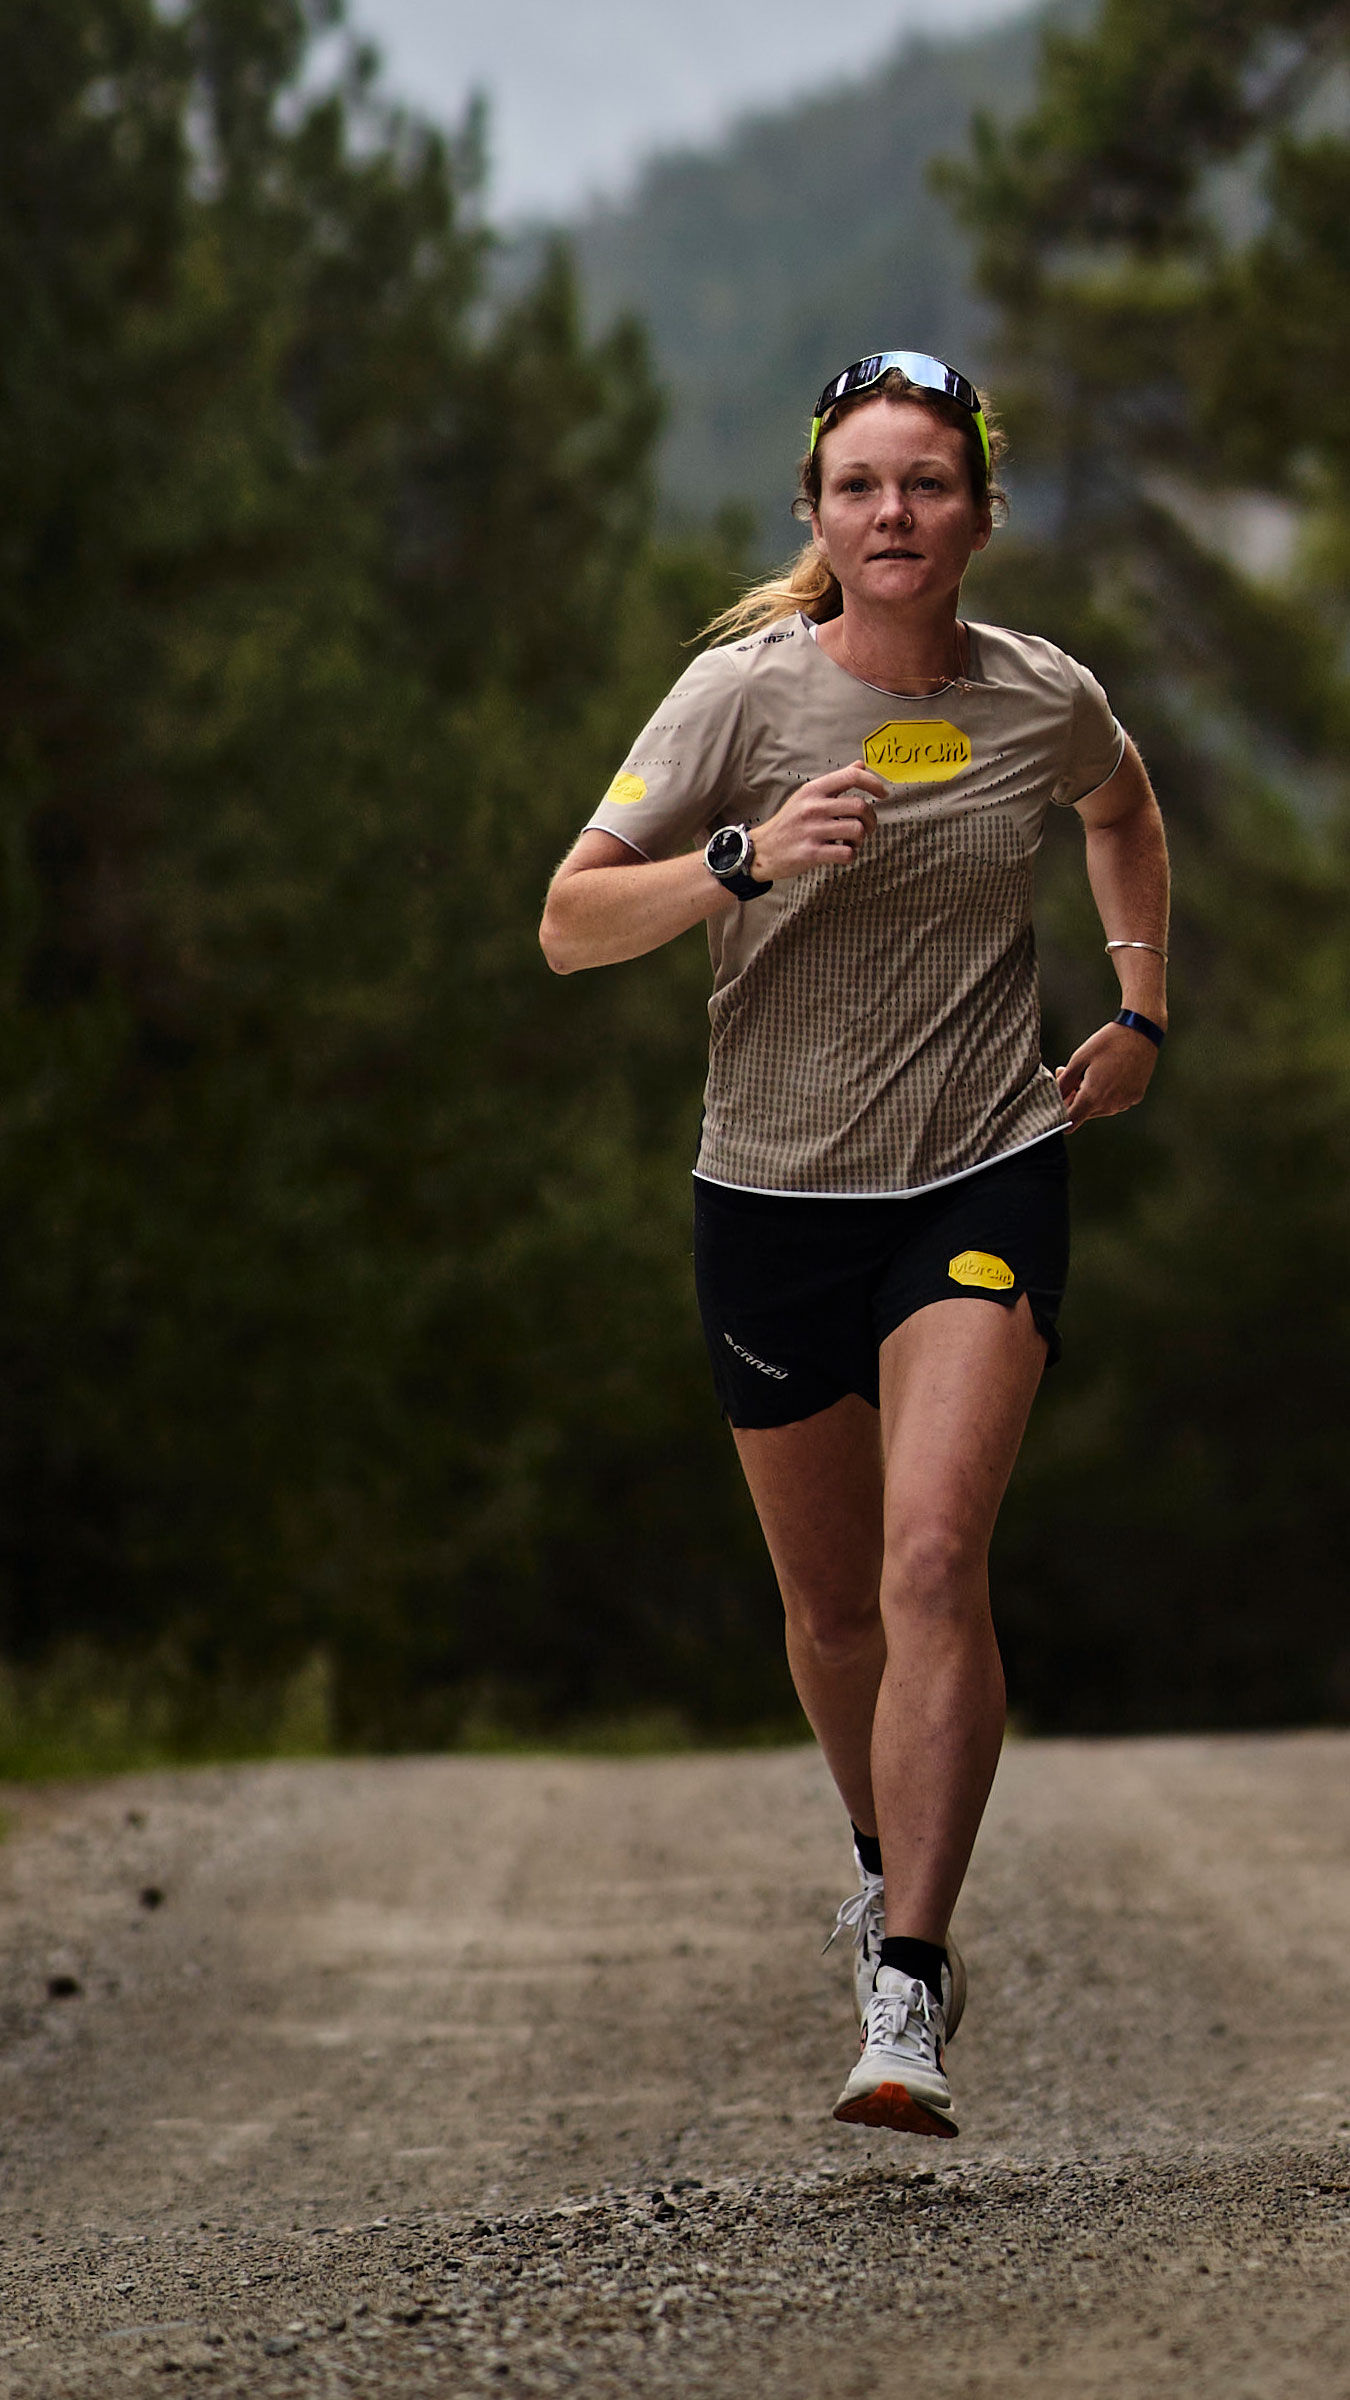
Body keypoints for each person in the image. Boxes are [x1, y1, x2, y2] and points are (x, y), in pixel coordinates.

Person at [539, 350, 1169, 2140]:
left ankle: (907, 1981)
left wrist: (1138, 1008)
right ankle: (878, 1855)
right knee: (828, 1613)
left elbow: (1121, 811)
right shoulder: (735, 698)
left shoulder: (1042, 695)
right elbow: (569, 922)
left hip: (980, 1170)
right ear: (817, 516)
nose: (893, 512)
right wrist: (737, 861)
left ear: (978, 511)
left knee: (930, 1561)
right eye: (859, 486)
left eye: (926, 482)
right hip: (770, 1198)